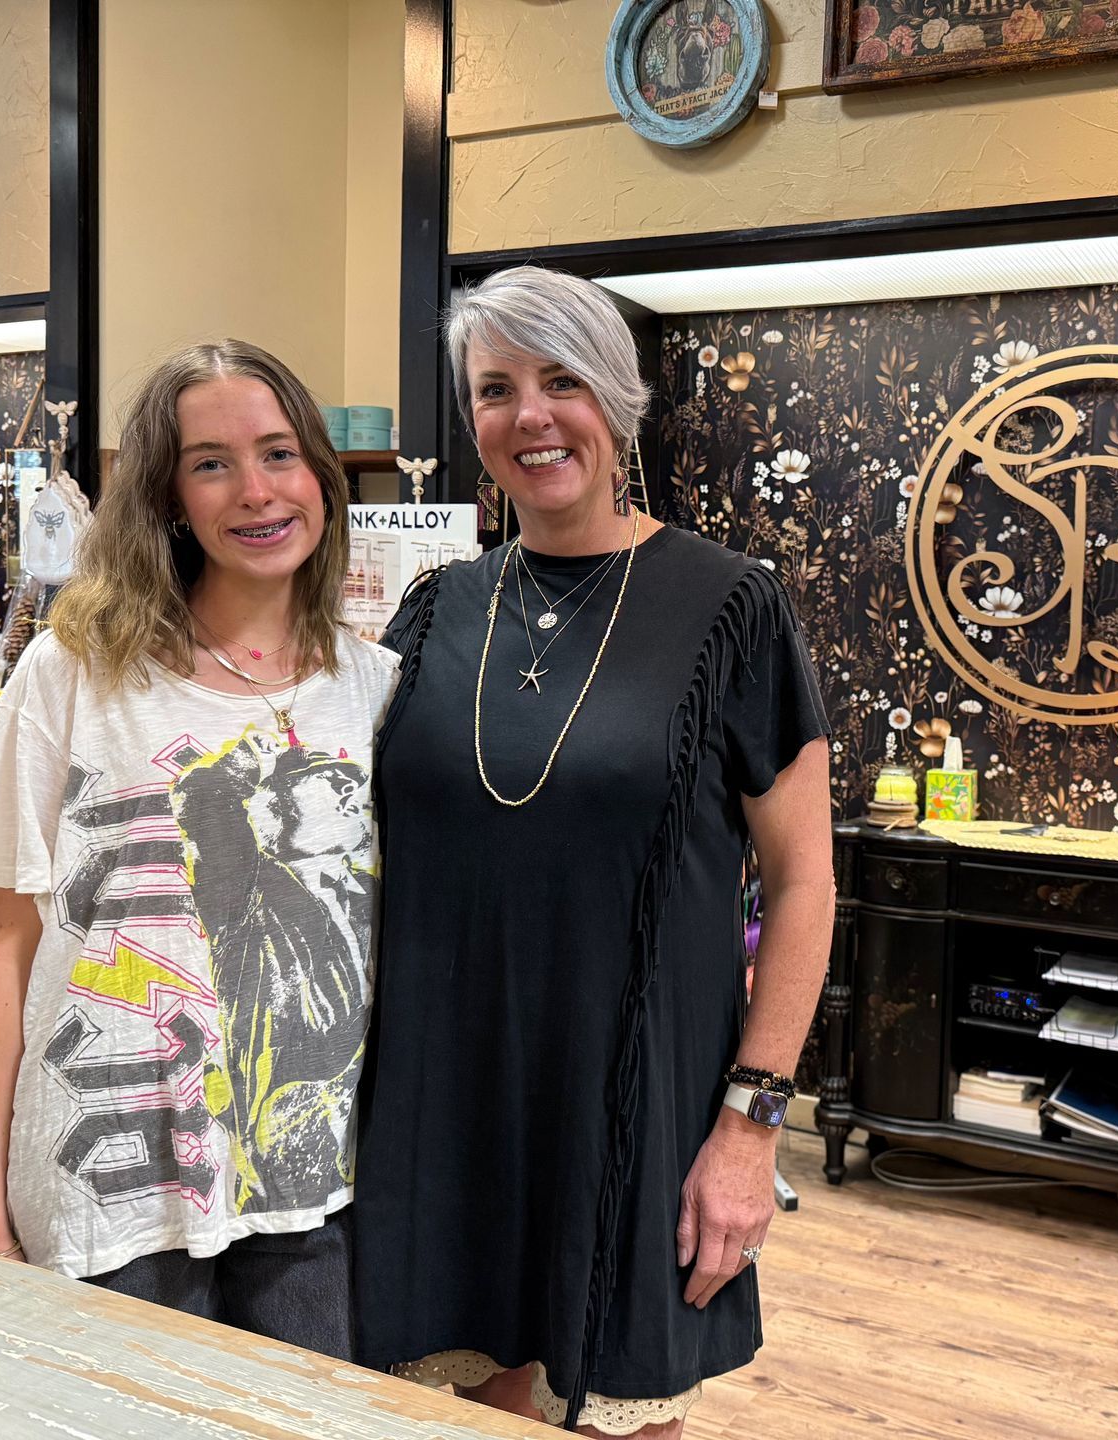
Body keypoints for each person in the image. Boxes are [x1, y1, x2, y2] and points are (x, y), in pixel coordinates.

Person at [353, 265, 834, 1437]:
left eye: (562, 380)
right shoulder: (430, 612)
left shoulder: (730, 606)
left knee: (623, 1414)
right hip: (438, 1094)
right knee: (449, 1409)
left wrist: (750, 1126)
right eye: (497, 388)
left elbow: (807, 881)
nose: (532, 416)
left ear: (618, 401)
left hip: (632, 1097)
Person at [0, 340, 398, 1359]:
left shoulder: (375, 690)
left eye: (279, 454)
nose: (256, 490)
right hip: (108, 1199)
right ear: (169, 496)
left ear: (322, 475)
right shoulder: (76, 673)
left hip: (308, 1200)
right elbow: (5, 950)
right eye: (211, 462)